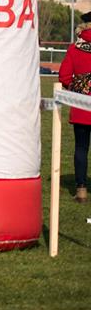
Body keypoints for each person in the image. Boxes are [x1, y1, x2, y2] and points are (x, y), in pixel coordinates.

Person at [58, 12, 91, 203]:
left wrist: (79, 87)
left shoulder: (74, 48)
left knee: (81, 148)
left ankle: (81, 189)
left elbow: (64, 76)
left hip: (81, 107)